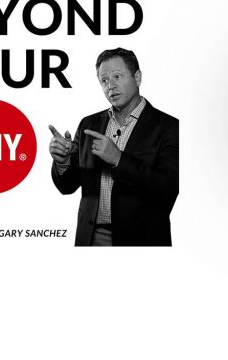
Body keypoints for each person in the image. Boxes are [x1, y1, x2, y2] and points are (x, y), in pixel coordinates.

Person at [47, 47, 178, 246]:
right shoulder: (88, 124)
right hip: (90, 238)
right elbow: (67, 186)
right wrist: (63, 162)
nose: (111, 86)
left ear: (137, 77)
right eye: (104, 80)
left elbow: (169, 187)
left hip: (141, 240)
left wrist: (119, 159)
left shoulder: (169, 127)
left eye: (117, 76)